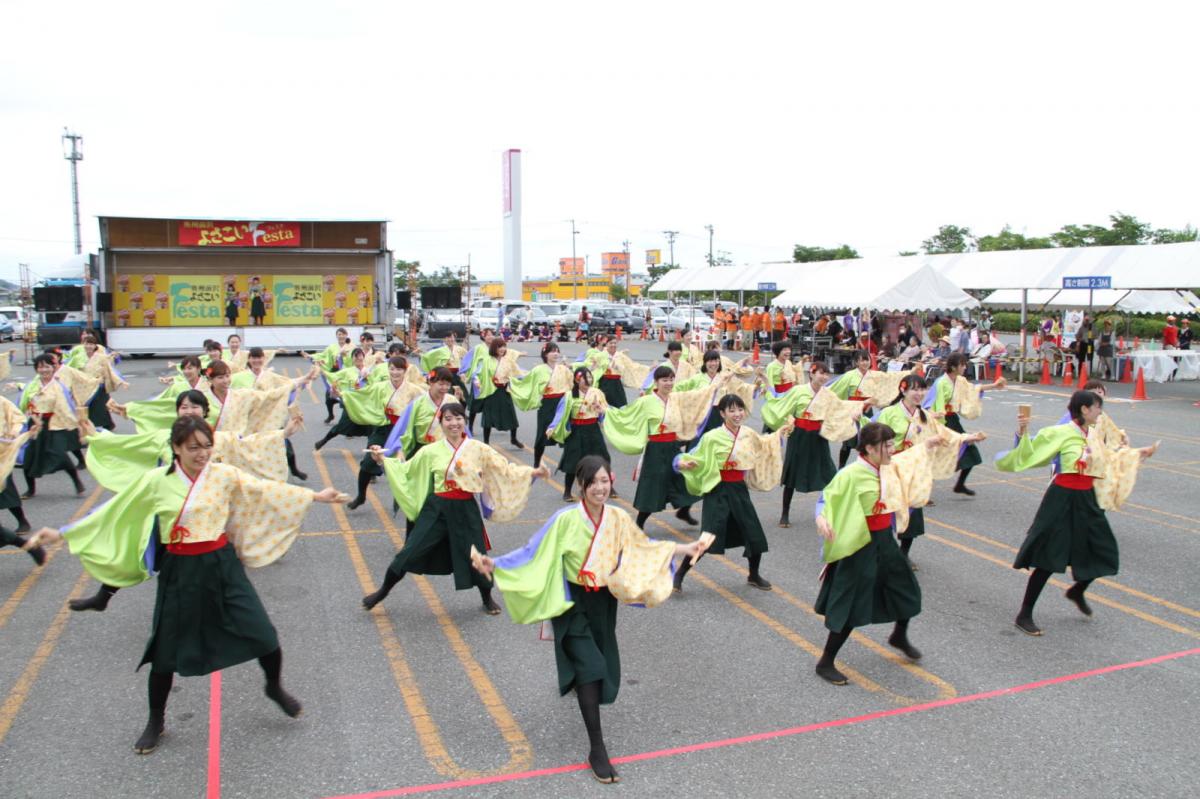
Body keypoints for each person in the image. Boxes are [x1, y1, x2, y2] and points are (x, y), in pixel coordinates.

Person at [26, 416, 348, 753]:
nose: (203, 453)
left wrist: (315, 496)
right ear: (176, 448)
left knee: (263, 634)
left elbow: (264, 490)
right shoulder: (156, 481)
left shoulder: (223, 475)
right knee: (165, 654)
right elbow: (116, 509)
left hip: (223, 567)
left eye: (207, 445)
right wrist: (61, 533)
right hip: (180, 571)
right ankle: (156, 720)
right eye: (194, 447)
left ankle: (274, 687)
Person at [475, 455, 705, 784]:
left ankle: (578, 682)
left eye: (604, 481)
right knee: (592, 669)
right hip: (572, 601)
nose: (600, 488)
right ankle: (597, 748)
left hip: (603, 601)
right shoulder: (565, 519)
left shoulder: (618, 517)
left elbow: (643, 546)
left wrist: (685, 549)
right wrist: (496, 565)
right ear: (581, 486)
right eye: (592, 482)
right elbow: (533, 551)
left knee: (597, 659)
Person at [361, 402, 549, 613]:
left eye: (458, 418)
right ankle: (382, 592)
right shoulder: (430, 451)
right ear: (441, 423)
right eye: (448, 419)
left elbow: (504, 469)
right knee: (409, 552)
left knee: (475, 555)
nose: (454, 423)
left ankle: (487, 597)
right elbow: (406, 471)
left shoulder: (478, 449)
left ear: (465, 421)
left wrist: (532, 473)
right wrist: (381, 460)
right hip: (437, 508)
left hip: (465, 508)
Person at [997, 391, 1157, 635]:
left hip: (1086, 498)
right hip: (1061, 497)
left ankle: (1077, 590)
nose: (1100, 412)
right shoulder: (1061, 432)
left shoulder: (1092, 434)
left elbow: (1108, 460)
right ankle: (1024, 613)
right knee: (1049, 557)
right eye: (1097, 407)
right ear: (1084, 409)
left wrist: (1137, 453)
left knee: (1103, 549)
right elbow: (1029, 453)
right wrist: (1022, 431)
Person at [812, 422, 941, 685]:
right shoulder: (851, 474)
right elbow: (827, 498)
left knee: (905, 588)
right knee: (851, 604)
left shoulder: (888, 465)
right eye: (887, 445)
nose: (892, 449)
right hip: (859, 543)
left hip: (884, 540)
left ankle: (899, 635)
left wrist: (929, 444)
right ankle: (825, 661)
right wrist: (821, 519)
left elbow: (910, 457)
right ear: (869, 448)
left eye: (893, 444)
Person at [673, 394, 789, 592]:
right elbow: (691, 455)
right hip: (718, 489)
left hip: (739, 489)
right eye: (732, 410)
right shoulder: (712, 437)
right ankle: (680, 574)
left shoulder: (748, 433)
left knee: (754, 533)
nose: (737, 414)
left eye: (740, 409)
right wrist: (682, 463)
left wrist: (779, 434)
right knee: (708, 537)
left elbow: (763, 444)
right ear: (722, 413)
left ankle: (753, 574)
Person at [603, 366, 713, 529]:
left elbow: (696, 397)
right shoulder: (646, 401)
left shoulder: (676, 399)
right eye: (664, 380)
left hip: (673, 446)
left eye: (671, 379)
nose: (668, 383)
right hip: (655, 449)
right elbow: (626, 414)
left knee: (686, 478)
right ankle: (639, 523)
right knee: (653, 487)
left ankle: (684, 510)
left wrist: (715, 386)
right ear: (656, 382)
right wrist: (605, 411)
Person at [762, 361, 864, 528]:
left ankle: (831, 511)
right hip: (799, 435)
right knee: (792, 474)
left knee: (828, 474)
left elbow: (839, 410)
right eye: (820, 373)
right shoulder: (798, 391)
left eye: (826, 374)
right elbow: (782, 406)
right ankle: (785, 513)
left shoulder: (828, 394)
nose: (824, 376)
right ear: (811, 374)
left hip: (819, 436)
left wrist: (852, 416)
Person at [345, 356, 428, 509]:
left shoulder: (414, 389)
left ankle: (401, 500)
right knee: (367, 463)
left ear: (405, 370)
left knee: (403, 466)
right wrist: (343, 394)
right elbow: (363, 394)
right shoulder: (380, 386)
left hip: (404, 432)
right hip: (383, 428)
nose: (395, 372)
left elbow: (426, 402)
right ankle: (361, 495)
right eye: (392, 368)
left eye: (398, 369)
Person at [924, 352, 1005, 496]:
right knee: (938, 456)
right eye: (962, 364)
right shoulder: (941, 382)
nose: (964, 367)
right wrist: (937, 423)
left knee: (970, 451)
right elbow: (935, 404)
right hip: (942, 422)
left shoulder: (959, 381)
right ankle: (924, 491)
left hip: (952, 420)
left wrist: (994, 385)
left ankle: (960, 484)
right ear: (953, 367)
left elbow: (973, 389)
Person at [17, 353, 88, 497]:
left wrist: (77, 425)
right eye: (40, 367)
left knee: (59, 453)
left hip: (54, 424)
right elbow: (22, 404)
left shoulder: (58, 386)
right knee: (29, 456)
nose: (44, 370)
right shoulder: (32, 386)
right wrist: (17, 422)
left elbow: (65, 407)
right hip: (35, 425)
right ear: (36, 369)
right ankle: (31, 489)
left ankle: (76, 481)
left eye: (47, 366)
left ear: (53, 368)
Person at [546, 367, 612, 501]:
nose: (588, 380)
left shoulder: (597, 393)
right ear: (577, 380)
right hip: (576, 431)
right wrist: (552, 426)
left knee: (602, 457)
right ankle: (567, 491)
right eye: (585, 377)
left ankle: (609, 486)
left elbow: (606, 410)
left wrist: (606, 416)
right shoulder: (569, 395)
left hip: (593, 429)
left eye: (590, 377)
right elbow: (560, 413)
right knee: (573, 461)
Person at [507, 343, 572, 468]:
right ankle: (536, 463)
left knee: (567, 433)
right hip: (547, 404)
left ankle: (567, 463)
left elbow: (572, 384)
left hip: (562, 403)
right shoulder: (539, 370)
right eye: (552, 351)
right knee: (542, 435)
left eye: (557, 351)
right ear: (545, 354)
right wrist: (512, 382)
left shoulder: (563, 369)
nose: (555, 353)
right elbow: (527, 381)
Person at [472, 337, 525, 448]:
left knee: (510, 415)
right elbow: (477, 373)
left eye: (504, 346)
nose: (502, 349)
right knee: (488, 418)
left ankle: (513, 439)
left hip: (504, 390)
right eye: (499, 346)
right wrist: (477, 381)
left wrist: (525, 379)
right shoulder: (487, 360)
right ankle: (486, 442)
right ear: (494, 348)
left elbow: (518, 374)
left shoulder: (508, 361)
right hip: (491, 391)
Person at [303, 328, 354, 423]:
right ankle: (331, 415)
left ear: (346, 335)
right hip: (334, 374)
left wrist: (344, 357)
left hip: (346, 375)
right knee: (328, 398)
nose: (341, 336)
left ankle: (348, 421)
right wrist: (311, 356)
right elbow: (323, 355)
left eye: (343, 334)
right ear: (336, 336)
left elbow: (354, 360)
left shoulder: (351, 347)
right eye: (339, 334)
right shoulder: (332, 347)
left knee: (346, 400)